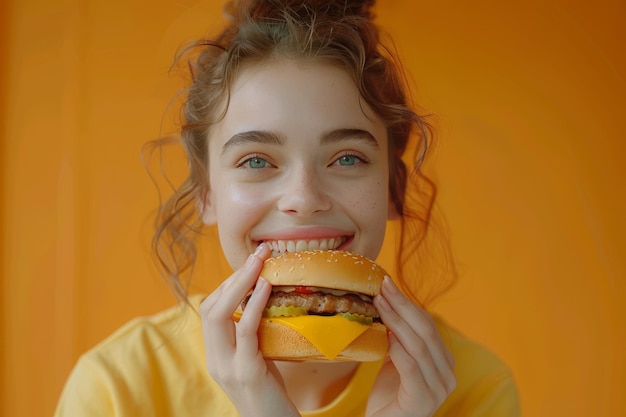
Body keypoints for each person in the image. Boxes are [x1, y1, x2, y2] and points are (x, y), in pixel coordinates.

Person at [54, 0, 520, 416]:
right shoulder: (118, 389)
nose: (303, 198)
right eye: (256, 160)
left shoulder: (472, 391)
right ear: (206, 194)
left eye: (347, 158)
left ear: (394, 188)